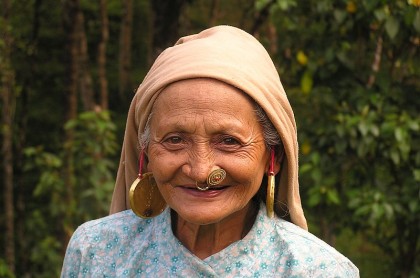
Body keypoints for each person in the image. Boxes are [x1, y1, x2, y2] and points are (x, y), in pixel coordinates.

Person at [61, 25, 359, 277]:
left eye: (229, 141)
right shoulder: (96, 252)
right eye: (175, 140)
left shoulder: (318, 270)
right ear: (147, 152)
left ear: (273, 156)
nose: (201, 171)